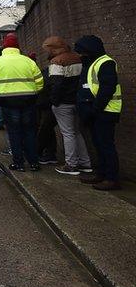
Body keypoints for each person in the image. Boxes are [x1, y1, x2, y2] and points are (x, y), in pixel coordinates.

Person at [0, 33, 44, 172]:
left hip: (7, 101)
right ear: (18, 46)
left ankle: (18, 163)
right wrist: (33, 92)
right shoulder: (28, 61)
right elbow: (40, 81)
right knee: (29, 132)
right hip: (28, 101)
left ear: (4, 46)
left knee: (14, 132)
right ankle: (34, 163)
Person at [74, 36, 123, 191]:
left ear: (89, 49)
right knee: (98, 145)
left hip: (105, 111)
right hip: (95, 111)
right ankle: (101, 173)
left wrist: (95, 109)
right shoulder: (92, 62)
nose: (80, 55)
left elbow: (106, 89)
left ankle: (111, 178)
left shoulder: (106, 62)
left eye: (82, 51)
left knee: (106, 145)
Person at [43, 36, 92, 176]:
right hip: (78, 100)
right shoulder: (77, 58)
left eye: (48, 49)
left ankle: (71, 165)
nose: (47, 52)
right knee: (77, 132)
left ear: (53, 49)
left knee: (68, 133)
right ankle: (85, 163)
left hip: (63, 103)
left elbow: (56, 84)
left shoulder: (57, 62)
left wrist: (54, 101)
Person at [32, 53, 58, 165]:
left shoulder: (48, 71)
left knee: (44, 128)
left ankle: (42, 152)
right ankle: (49, 153)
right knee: (47, 129)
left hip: (46, 104)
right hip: (44, 103)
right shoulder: (44, 71)